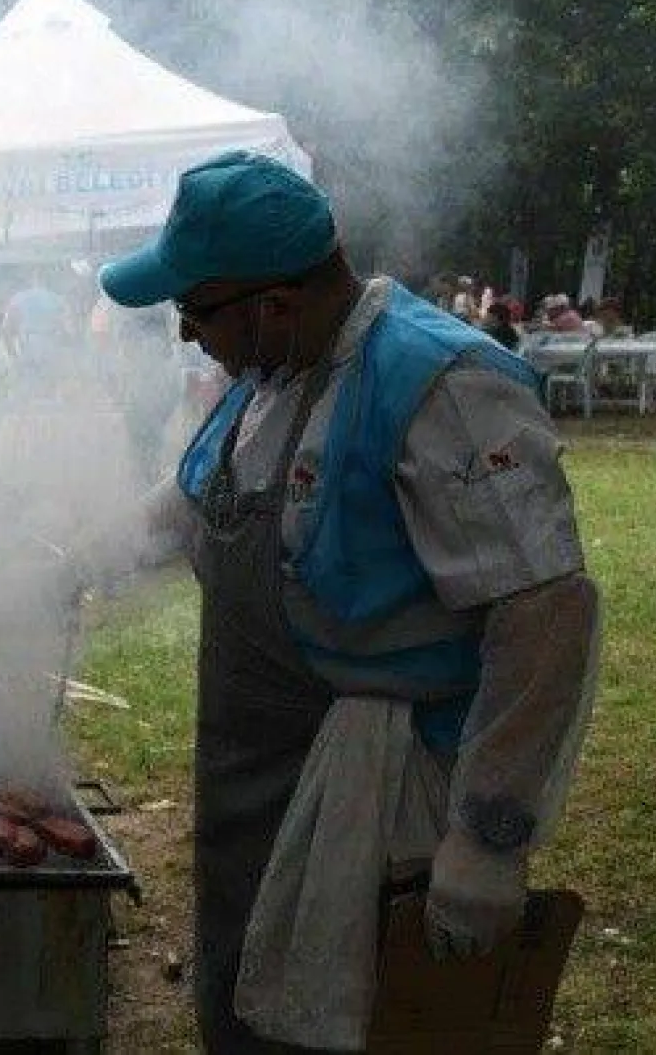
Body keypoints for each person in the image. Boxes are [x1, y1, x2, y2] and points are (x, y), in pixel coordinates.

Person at [81, 151, 599, 1053]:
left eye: (194, 311)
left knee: (345, 1023)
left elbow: (545, 611)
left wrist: (490, 834)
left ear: (270, 303)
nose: (185, 335)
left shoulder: (441, 387)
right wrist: (79, 559)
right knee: (246, 994)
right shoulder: (269, 373)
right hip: (255, 762)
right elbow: (200, 501)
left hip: (372, 779)